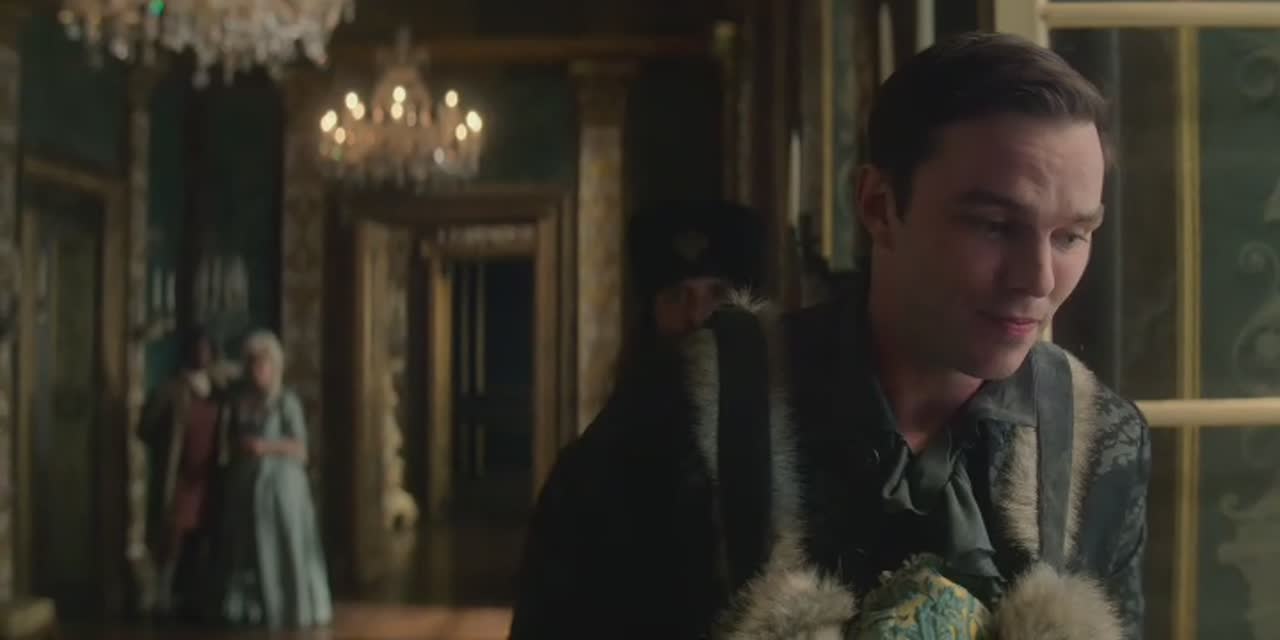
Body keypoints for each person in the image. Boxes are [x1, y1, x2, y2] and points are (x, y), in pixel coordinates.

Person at [509, 32, 1149, 640]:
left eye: (1072, 235)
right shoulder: (681, 416)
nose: (1038, 279)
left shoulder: (1103, 442)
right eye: (993, 226)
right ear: (878, 206)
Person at [214, 329, 332, 629]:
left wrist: (265, 447)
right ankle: (253, 609)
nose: (256, 371)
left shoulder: (285, 402)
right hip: (247, 485)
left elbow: (301, 449)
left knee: (285, 544)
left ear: (274, 367)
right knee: (247, 549)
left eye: (261, 364)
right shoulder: (241, 401)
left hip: (281, 486)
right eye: (251, 364)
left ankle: (292, 605)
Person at [139, 328, 231, 618]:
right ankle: (162, 595)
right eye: (196, 348)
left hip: (209, 475)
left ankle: (195, 595)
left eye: (206, 348)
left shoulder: (219, 390)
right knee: (172, 535)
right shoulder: (171, 388)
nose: (201, 354)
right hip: (178, 476)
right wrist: (166, 443)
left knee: (204, 536)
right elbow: (144, 427)